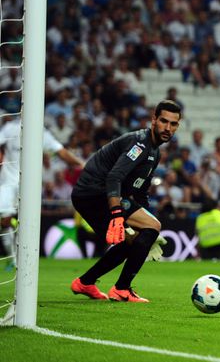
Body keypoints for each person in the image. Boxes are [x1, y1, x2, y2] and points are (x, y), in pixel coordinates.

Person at [70, 100, 182, 303]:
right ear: (154, 119)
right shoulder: (139, 144)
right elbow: (114, 178)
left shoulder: (154, 152)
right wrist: (117, 214)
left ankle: (85, 282)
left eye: (173, 124)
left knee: (131, 241)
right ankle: (121, 289)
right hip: (94, 193)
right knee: (151, 227)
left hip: (95, 195)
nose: (168, 128)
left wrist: (146, 232)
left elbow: (140, 194)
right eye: (164, 121)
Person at [0, 116, 84, 270]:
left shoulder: (41, 133)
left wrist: (82, 164)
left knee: (25, 221)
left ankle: (23, 258)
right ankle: (12, 258)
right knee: (4, 220)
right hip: (7, 182)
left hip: (29, 185)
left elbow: (62, 153)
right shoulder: (10, 127)